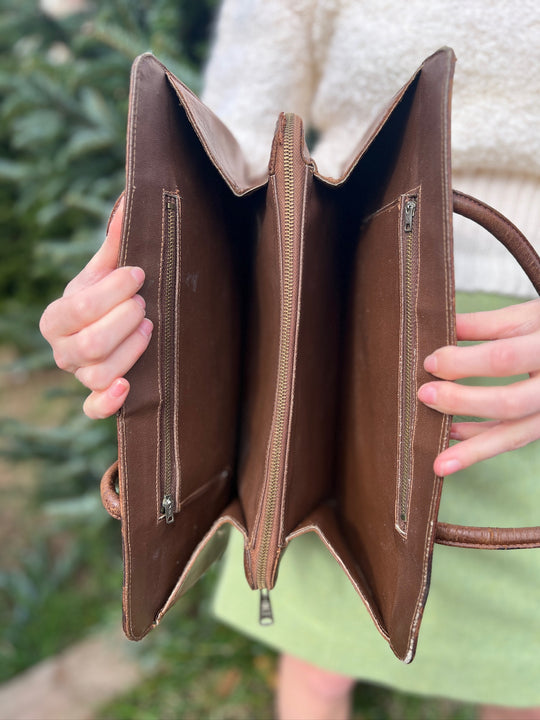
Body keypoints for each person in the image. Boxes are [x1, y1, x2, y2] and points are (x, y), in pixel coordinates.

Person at [40, 1, 540, 718]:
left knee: (522, 683)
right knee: (315, 669)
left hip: (520, 368)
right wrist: (127, 278)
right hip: (325, 331)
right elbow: (231, 154)